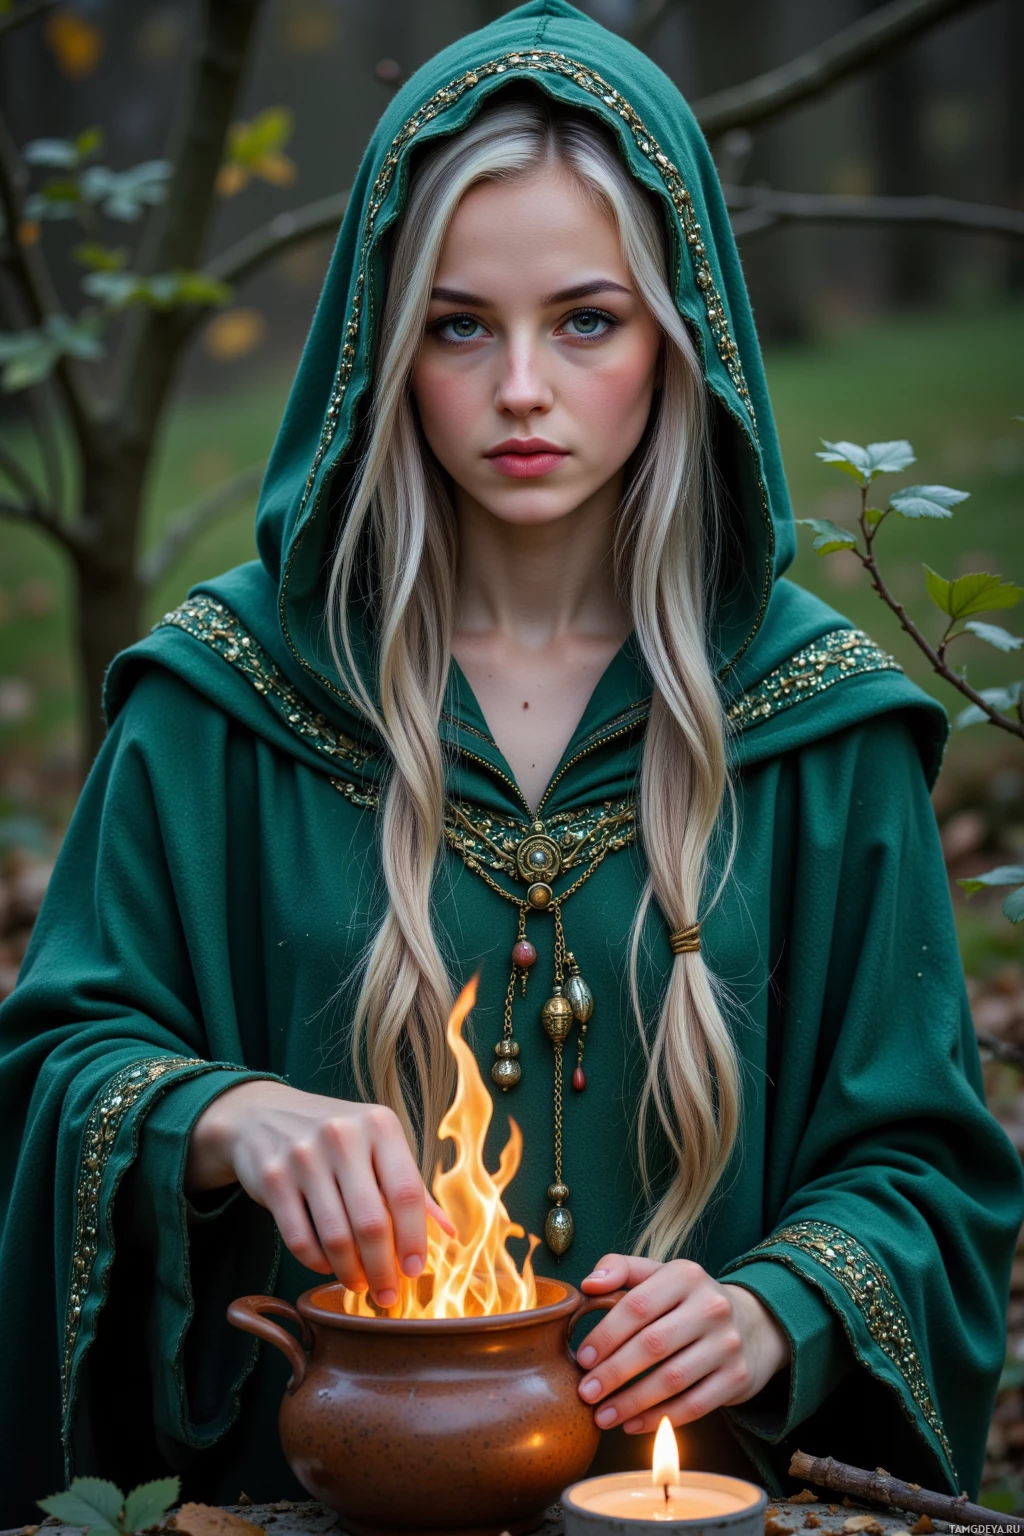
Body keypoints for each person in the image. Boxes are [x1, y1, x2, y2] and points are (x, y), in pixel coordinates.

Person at [1, 0, 1020, 1520]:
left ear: (680, 341)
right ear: (380, 347)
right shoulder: (229, 699)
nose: (523, 388)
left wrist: (777, 1305)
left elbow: (927, 1174)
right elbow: (52, 1071)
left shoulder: (815, 726)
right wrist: (216, 1117)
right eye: (459, 325)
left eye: (588, 321)